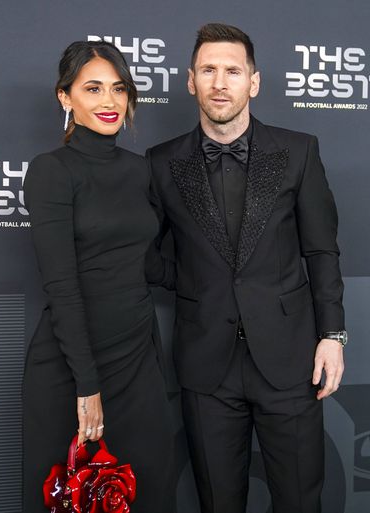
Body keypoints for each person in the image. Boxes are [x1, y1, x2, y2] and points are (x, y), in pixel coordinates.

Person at [146, 23, 347, 513]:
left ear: (253, 82)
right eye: (208, 70)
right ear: (190, 80)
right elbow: (142, 253)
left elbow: (322, 250)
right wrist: (191, 282)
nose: (220, 83)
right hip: (206, 366)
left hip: (290, 359)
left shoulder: (298, 151)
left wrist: (332, 336)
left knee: (300, 502)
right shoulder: (161, 162)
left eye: (233, 71)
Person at [22, 40, 174, 513]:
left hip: (138, 361)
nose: (110, 101)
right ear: (65, 97)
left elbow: (146, 262)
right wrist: (87, 387)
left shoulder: (140, 170)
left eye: (119, 88)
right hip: (74, 368)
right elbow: (61, 286)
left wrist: (226, 277)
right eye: (93, 88)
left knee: (150, 493)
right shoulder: (51, 171)